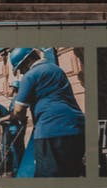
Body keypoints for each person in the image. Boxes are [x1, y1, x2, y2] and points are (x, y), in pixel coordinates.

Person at [9, 48, 85, 177]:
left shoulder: (30, 76)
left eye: (21, 68)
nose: (21, 73)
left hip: (50, 131)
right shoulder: (57, 70)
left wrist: (21, 119)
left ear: (28, 61)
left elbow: (18, 110)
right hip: (77, 128)